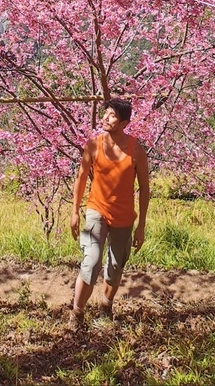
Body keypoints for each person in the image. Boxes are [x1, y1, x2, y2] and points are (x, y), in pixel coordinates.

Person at [68, 97, 150, 329]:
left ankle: (106, 305)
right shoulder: (93, 146)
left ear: (124, 123)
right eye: (105, 113)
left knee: (115, 268)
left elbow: (145, 189)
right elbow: (81, 179)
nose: (105, 117)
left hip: (124, 218)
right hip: (96, 211)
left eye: (112, 115)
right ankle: (77, 314)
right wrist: (75, 212)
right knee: (90, 263)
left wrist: (141, 225)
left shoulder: (136, 150)